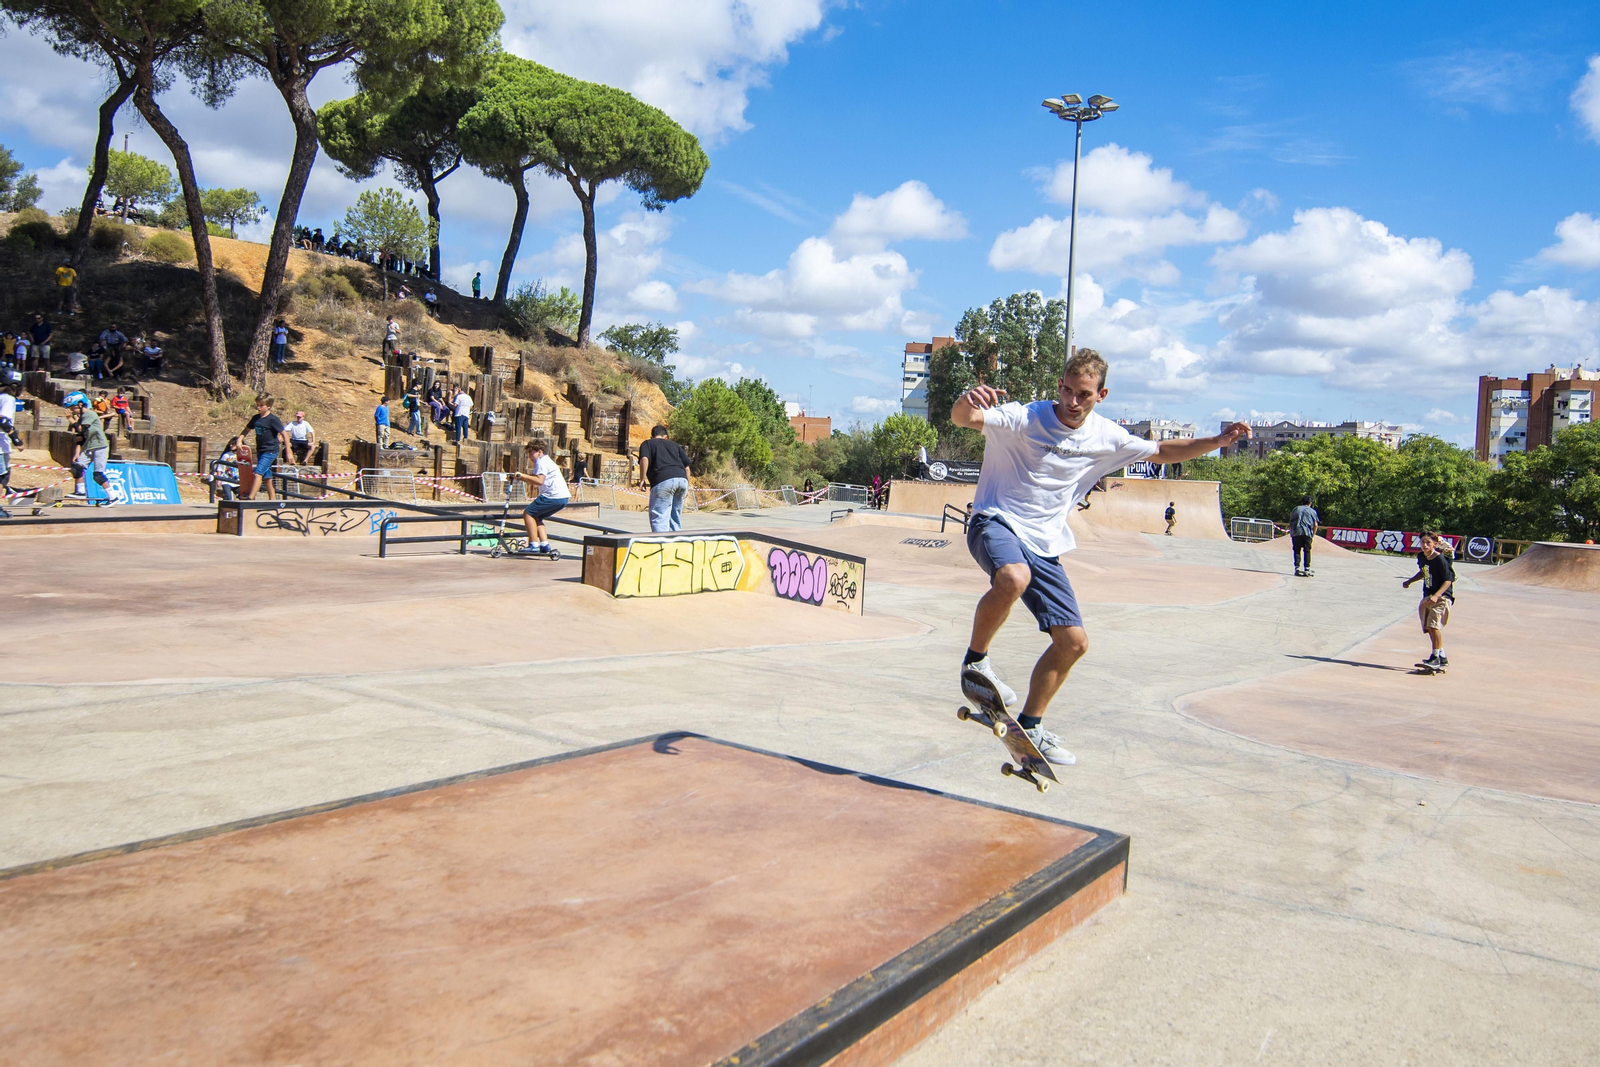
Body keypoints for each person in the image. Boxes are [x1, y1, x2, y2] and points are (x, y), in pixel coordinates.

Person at [949, 348, 1251, 765]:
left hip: (1046, 542)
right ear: (1059, 387)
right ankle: (976, 663)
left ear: (1101, 394)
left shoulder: (1107, 436)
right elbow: (965, 420)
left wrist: (1216, 443)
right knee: (1013, 578)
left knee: (1073, 643)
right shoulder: (1026, 417)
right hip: (995, 521)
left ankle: (1032, 727)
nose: (1073, 403)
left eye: (1084, 395)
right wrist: (967, 402)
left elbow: (1162, 451)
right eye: (1068, 391)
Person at [1402, 532, 1456, 671]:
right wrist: (1410, 581)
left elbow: (1448, 580)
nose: (1425, 545)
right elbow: (1423, 572)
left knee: (1434, 626)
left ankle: (1435, 657)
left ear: (1435, 544)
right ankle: (1442, 657)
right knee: (1428, 626)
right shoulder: (1421, 557)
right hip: (1428, 595)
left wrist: (1437, 596)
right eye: (1422, 543)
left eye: (1428, 543)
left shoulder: (1440, 559)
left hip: (1442, 596)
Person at [513, 438, 570, 554]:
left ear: (539, 451)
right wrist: (523, 477)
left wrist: (521, 476)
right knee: (537, 517)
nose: (529, 456)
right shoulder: (547, 461)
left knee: (528, 513)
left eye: (531, 452)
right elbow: (535, 478)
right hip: (563, 497)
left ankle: (533, 544)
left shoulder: (541, 461)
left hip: (553, 496)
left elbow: (539, 481)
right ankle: (544, 544)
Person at [638, 424, 693, 532]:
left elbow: (644, 459)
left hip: (663, 480)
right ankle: (676, 542)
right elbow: (687, 468)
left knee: (659, 516)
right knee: (675, 516)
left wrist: (642, 479)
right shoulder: (675, 445)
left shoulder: (648, 443)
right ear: (666, 437)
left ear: (652, 436)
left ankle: (661, 544)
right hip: (682, 480)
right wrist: (687, 485)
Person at [240, 395, 291, 500]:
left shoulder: (273, 419)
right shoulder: (256, 418)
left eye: (261, 405)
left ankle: (250, 498)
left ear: (268, 406)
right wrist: (239, 439)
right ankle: (273, 500)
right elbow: (246, 430)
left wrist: (288, 451)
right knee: (267, 477)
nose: (258, 408)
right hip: (261, 451)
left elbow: (285, 434)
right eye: (257, 405)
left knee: (257, 473)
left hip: (270, 451)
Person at [68, 396, 114, 505]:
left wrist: (70, 419)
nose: (71, 410)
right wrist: (76, 453)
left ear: (80, 405)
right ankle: (80, 491)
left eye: (72, 407)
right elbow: (80, 436)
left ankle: (112, 497)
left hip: (100, 446)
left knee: (97, 475)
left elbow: (81, 429)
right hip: (88, 447)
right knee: (77, 467)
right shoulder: (82, 417)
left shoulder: (90, 414)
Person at [202, 436, 243, 501]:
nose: (231, 445)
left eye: (233, 444)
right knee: (228, 497)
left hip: (238, 480)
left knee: (243, 496)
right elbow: (220, 468)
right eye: (230, 444)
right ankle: (228, 509)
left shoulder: (242, 455)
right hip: (226, 479)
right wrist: (219, 479)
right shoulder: (226, 455)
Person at [1289, 495, 1319, 577]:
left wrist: (1291, 532)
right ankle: (1307, 568)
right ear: (1310, 503)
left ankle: (1297, 568)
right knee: (1307, 550)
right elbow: (1315, 524)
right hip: (1307, 533)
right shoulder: (1312, 511)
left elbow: (1291, 521)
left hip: (1296, 532)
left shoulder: (1295, 509)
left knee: (1297, 549)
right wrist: (1313, 535)